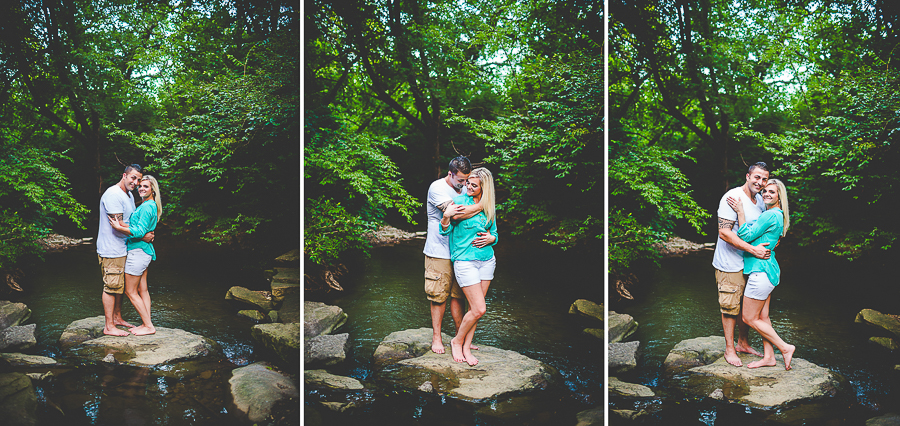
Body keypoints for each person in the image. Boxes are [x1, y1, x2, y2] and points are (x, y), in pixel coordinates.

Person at [728, 179, 795, 370]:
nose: (766, 194)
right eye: (765, 191)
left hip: (761, 271)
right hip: (768, 270)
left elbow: (745, 236)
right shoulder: (776, 214)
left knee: (749, 318)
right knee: (763, 318)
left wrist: (740, 211)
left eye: (772, 192)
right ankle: (769, 357)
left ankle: (785, 347)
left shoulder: (771, 215)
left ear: (779, 195)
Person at [712, 162, 772, 366]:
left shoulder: (761, 201)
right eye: (757, 177)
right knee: (730, 307)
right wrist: (753, 249)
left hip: (751, 263)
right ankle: (729, 349)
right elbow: (724, 232)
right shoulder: (733, 197)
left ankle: (743, 343)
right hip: (730, 263)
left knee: (747, 306)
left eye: (764, 179)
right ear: (747, 176)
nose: (760, 182)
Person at [423, 156, 484, 354]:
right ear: (450, 174)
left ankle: (459, 336)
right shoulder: (437, 188)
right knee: (439, 296)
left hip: (461, 251)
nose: (464, 185)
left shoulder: (465, 189)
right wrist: (483, 205)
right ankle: (437, 338)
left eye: (467, 181)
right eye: (460, 181)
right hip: (438, 251)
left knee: (459, 296)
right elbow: (456, 215)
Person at [440, 167, 498, 366]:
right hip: (465, 260)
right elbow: (446, 228)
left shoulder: (489, 206)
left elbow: (495, 233)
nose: (468, 187)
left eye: (474, 185)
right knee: (479, 308)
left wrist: (492, 238)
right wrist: (446, 218)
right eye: (468, 183)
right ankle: (457, 341)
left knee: (476, 309)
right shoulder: (458, 202)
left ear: (484, 188)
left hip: (487, 260)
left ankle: (466, 346)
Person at [97, 164, 154, 336]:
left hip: (124, 247)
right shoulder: (114, 195)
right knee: (111, 286)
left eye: (139, 179)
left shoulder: (128, 194)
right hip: (111, 249)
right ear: (124, 175)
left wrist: (139, 232)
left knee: (119, 287)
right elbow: (117, 226)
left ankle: (117, 318)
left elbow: (129, 223)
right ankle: (109, 326)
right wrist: (142, 235)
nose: (136, 182)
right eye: (133, 178)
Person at [109, 175, 162, 336]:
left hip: (138, 252)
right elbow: (139, 227)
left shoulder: (146, 207)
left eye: (146, 186)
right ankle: (148, 322)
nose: (141, 189)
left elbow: (138, 231)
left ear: (153, 189)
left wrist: (119, 228)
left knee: (130, 291)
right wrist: (126, 225)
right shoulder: (149, 205)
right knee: (143, 290)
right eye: (140, 186)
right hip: (144, 251)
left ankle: (148, 326)